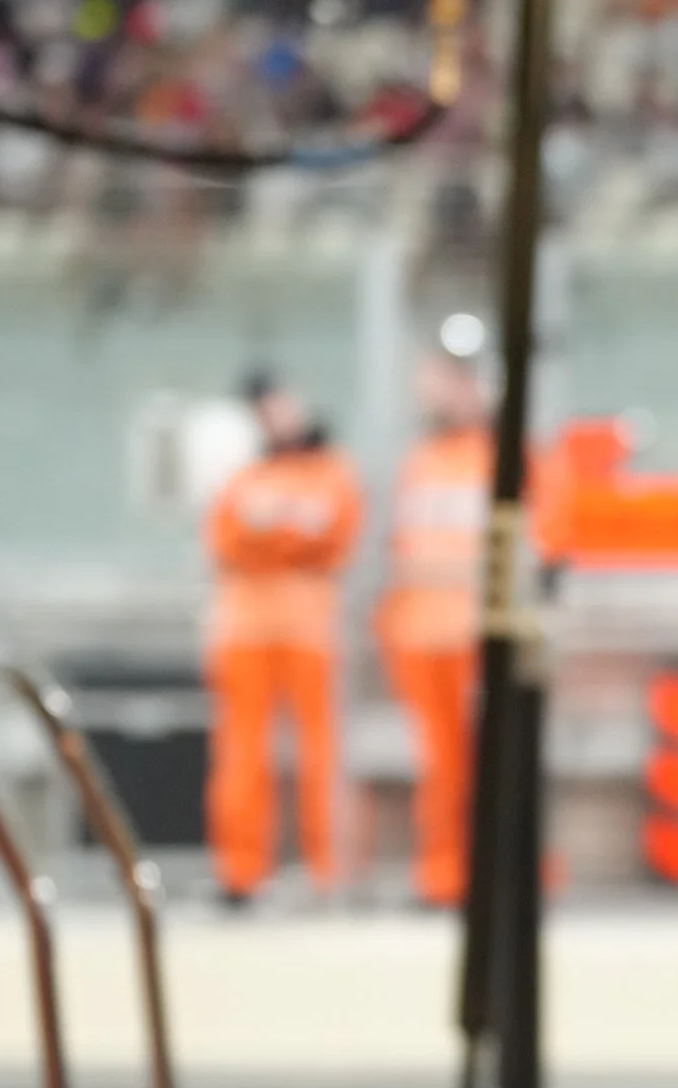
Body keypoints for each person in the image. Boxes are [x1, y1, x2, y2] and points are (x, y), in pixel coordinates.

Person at [202, 371, 364, 901]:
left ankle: (329, 872)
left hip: (310, 626)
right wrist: (280, 539)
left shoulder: (331, 471)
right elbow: (225, 540)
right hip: (245, 626)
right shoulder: (241, 475)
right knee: (242, 754)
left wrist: (271, 538)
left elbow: (330, 537)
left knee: (321, 753)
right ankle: (241, 872)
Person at [376, 344, 493, 906]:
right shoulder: (418, 463)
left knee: (482, 768)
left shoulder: (502, 459)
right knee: (439, 770)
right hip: (421, 638)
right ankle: (443, 875)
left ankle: (485, 874)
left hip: (476, 638)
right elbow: (399, 554)